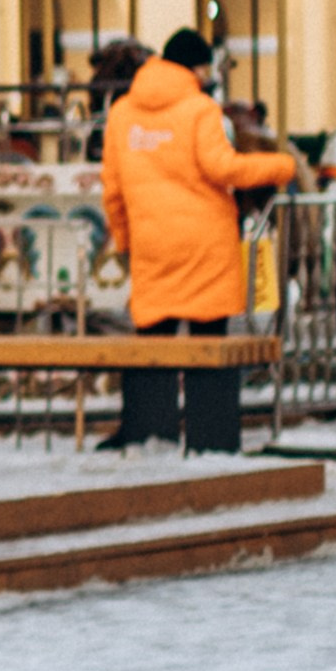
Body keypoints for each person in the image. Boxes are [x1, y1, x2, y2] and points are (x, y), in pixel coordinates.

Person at [99, 25, 294, 452]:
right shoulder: (200, 109)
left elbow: (112, 189)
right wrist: (280, 166)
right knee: (208, 342)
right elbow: (222, 168)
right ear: (198, 67)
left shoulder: (122, 113)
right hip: (205, 244)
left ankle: (150, 432)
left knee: (153, 341)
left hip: (153, 243)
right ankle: (212, 437)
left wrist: (126, 239)